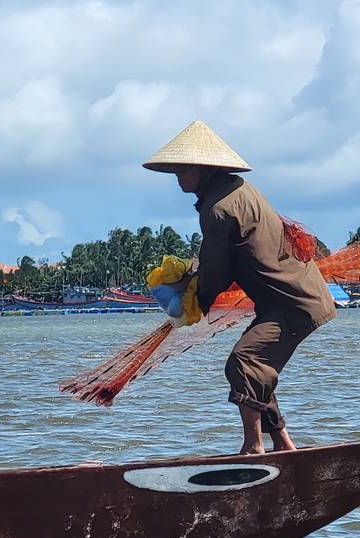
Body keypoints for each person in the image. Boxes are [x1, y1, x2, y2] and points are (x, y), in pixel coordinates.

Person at [143, 120, 335, 455]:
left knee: (243, 363)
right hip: (293, 297)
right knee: (255, 368)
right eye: (176, 169)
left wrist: (195, 302)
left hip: (293, 302)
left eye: (185, 168)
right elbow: (219, 258)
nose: (178, 176)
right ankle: (285, 446)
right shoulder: (237, 190)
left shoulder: (218, 209)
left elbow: (217, 270)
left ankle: (253, 446)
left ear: (206, 169)